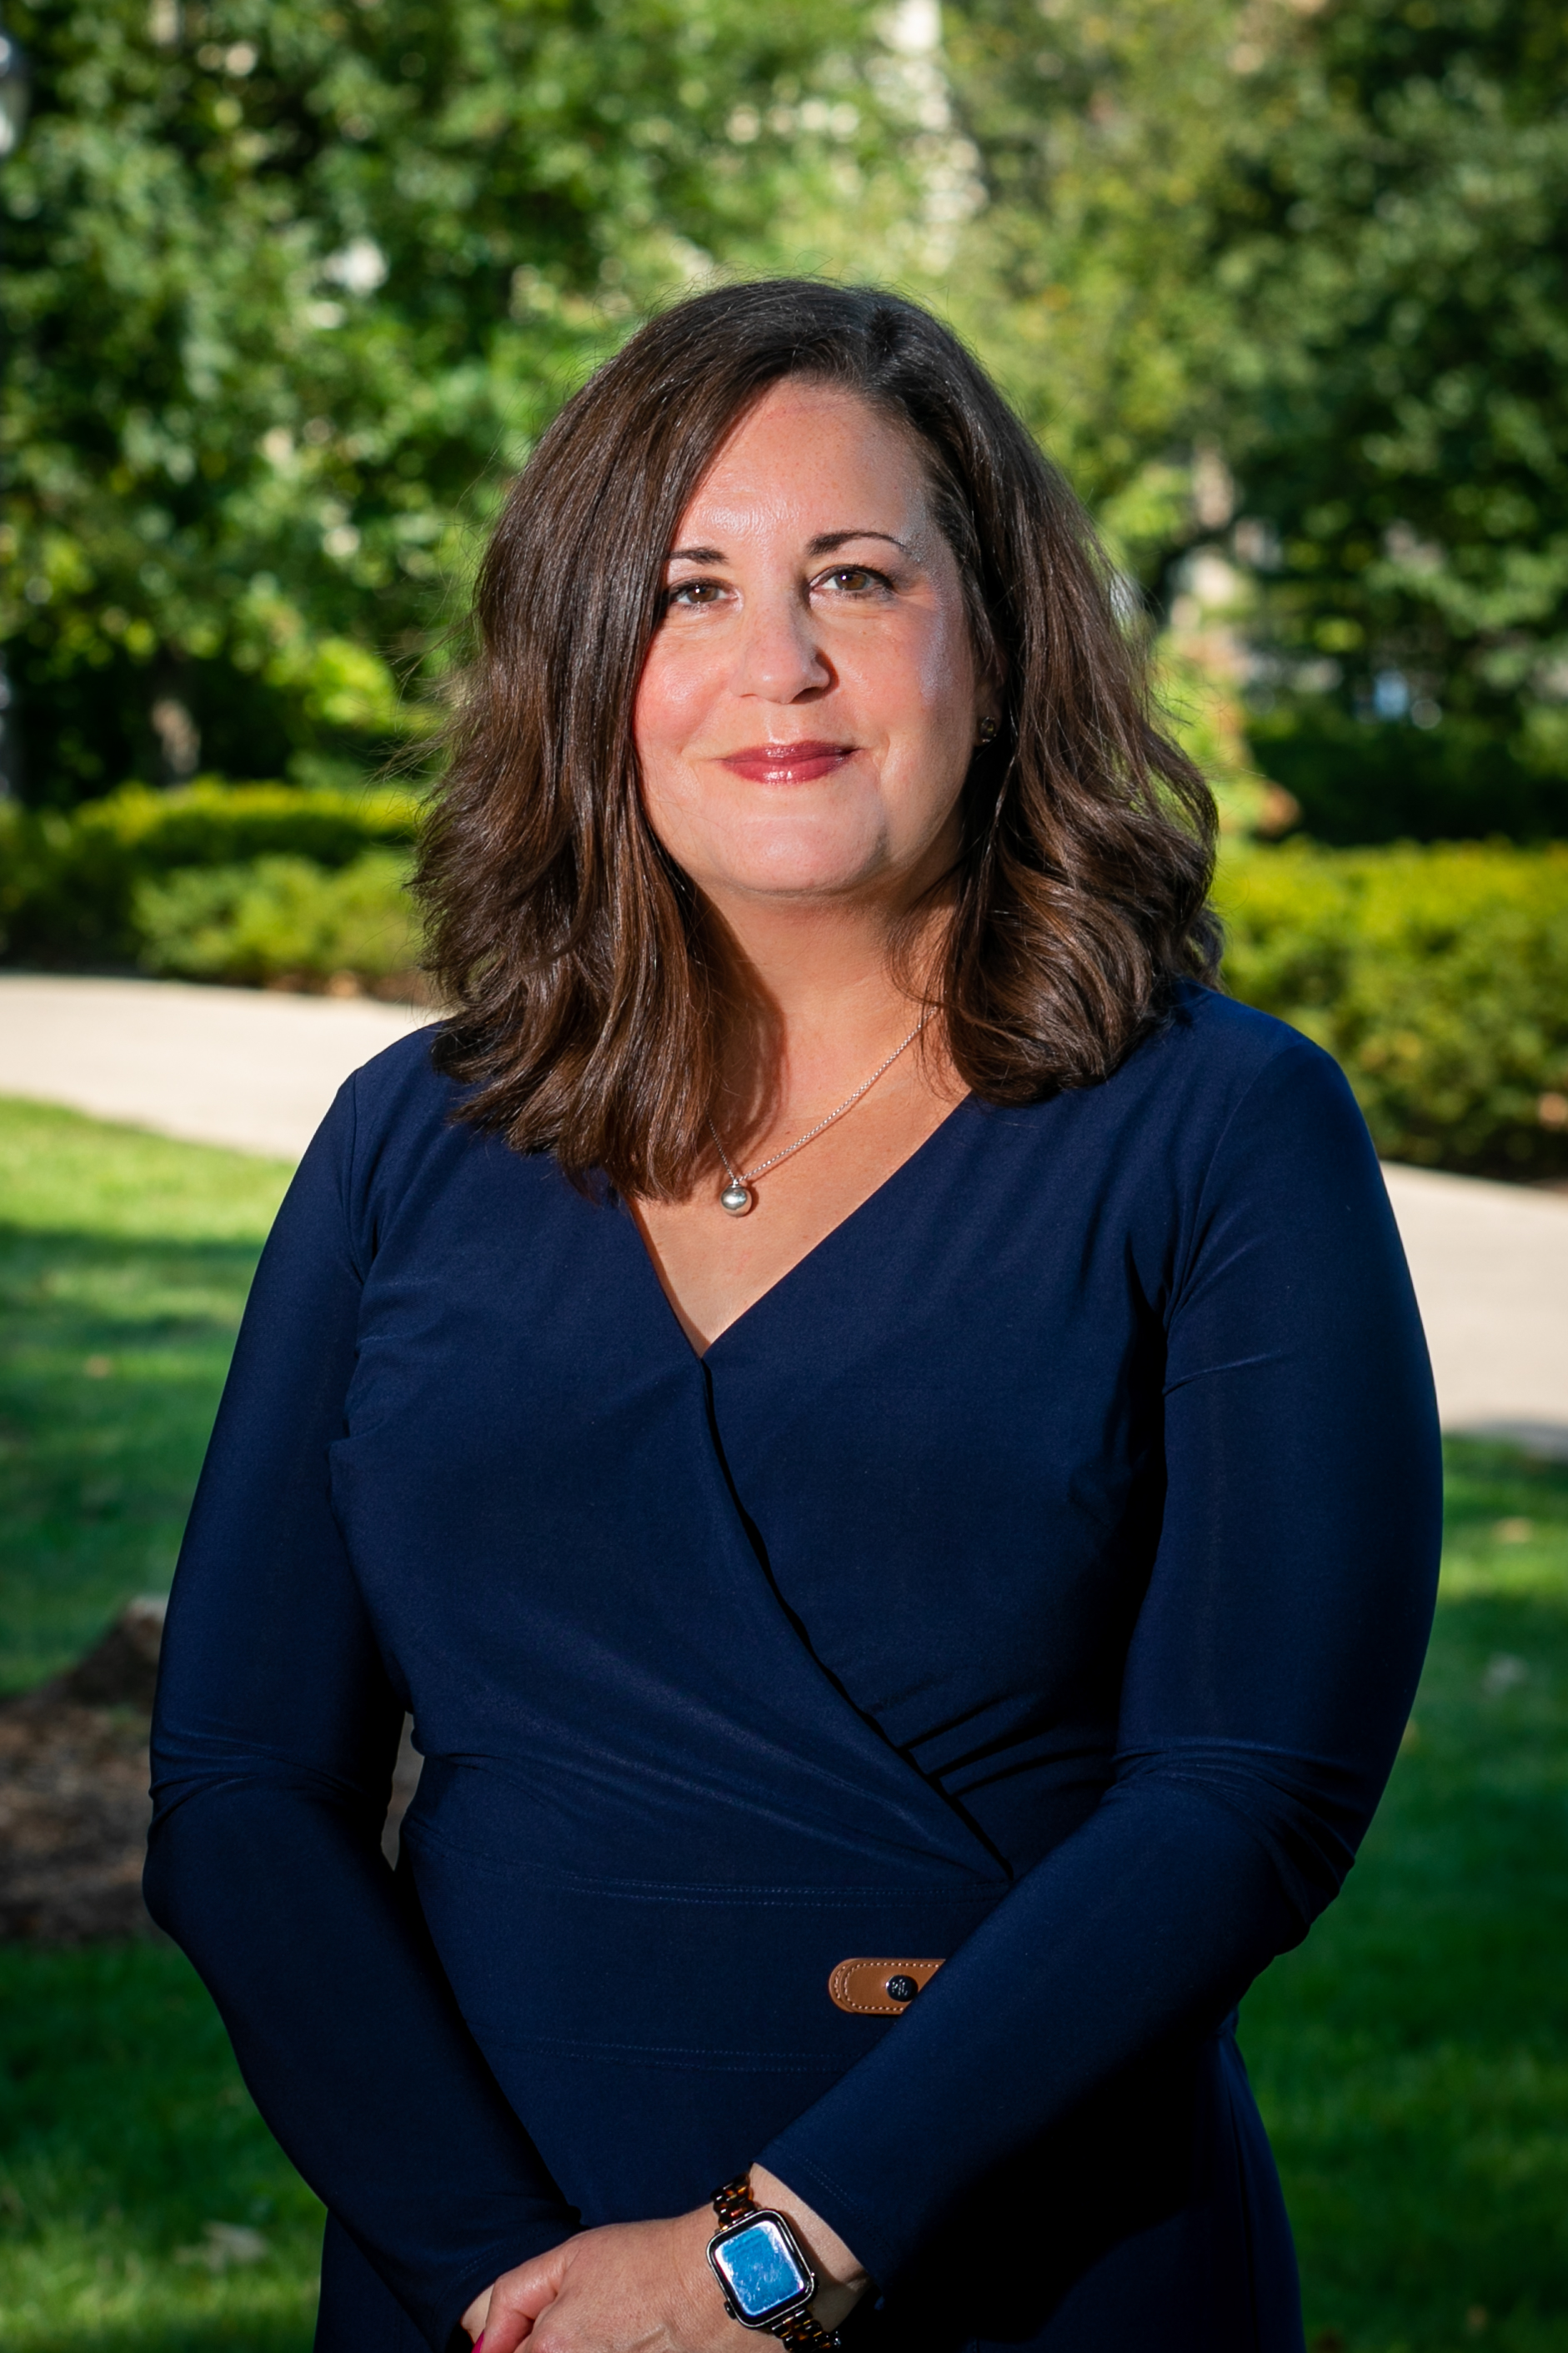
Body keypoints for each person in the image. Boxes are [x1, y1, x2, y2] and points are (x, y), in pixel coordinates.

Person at [146, 280, 1441, 2353]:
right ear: (591, 668)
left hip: (1028, 2254)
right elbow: (235, 1787)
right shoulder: (409, 1137)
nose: (782, 663)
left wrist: (765, 2259)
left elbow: (1243, 1792)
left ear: (992, 638)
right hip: (487, 2284)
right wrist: (502, 2283)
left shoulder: (1221, 1129)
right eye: (687, 589)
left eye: (856, 573)